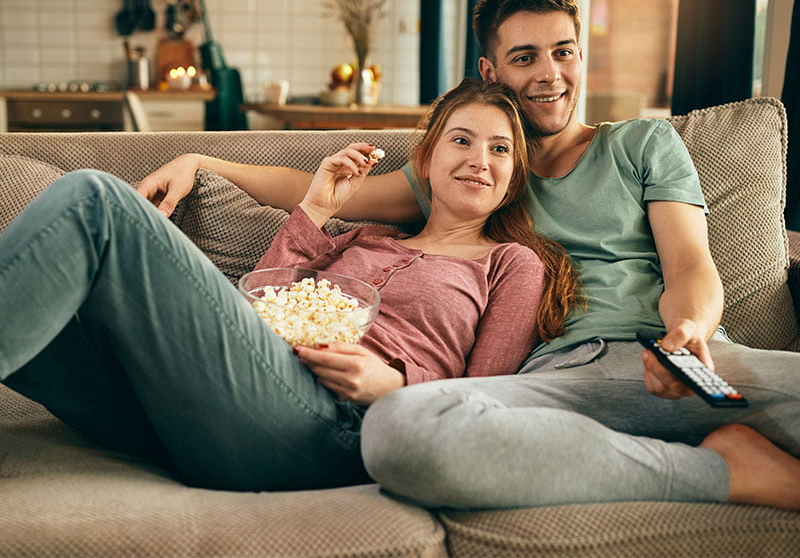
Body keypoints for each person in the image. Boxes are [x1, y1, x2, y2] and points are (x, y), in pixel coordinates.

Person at [137, 0, 800, 510]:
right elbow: (314, 192)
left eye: (563, 51)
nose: (550, 74)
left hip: (663, 359)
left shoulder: (642, 144)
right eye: (525, 57)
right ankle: (721, 471)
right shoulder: (468, 174)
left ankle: (699, 438)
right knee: (400, 428)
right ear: (490, 70)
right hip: (547, 386)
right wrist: (205, 162)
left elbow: (690, 263)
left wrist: (686, 331)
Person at [0, 78, 580, 493]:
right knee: (48, 328)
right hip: (209, 404)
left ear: (513, 177)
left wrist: (395, 384)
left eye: (500, 149)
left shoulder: (512, 264)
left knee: (98, 198)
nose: (481, 159)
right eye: (461, 140)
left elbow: (493, 404)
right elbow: (265, 299)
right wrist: (316, 207)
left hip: (323, 430)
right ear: (424, 161)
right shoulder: (367, 237)